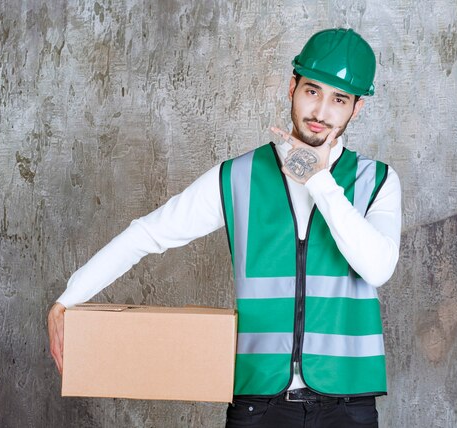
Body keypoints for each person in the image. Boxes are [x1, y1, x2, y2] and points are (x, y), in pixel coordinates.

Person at [48, 28, 401, 427]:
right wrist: (68, 298)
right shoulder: (237, 177)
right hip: (259, 402)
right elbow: (148, 233)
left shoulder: (379, 181)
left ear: (357, 109)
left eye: (339, 99)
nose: (320, 111)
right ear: (292, 87)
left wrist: (319, 181)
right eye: (312, 91)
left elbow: (378, 268)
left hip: (347, 405)